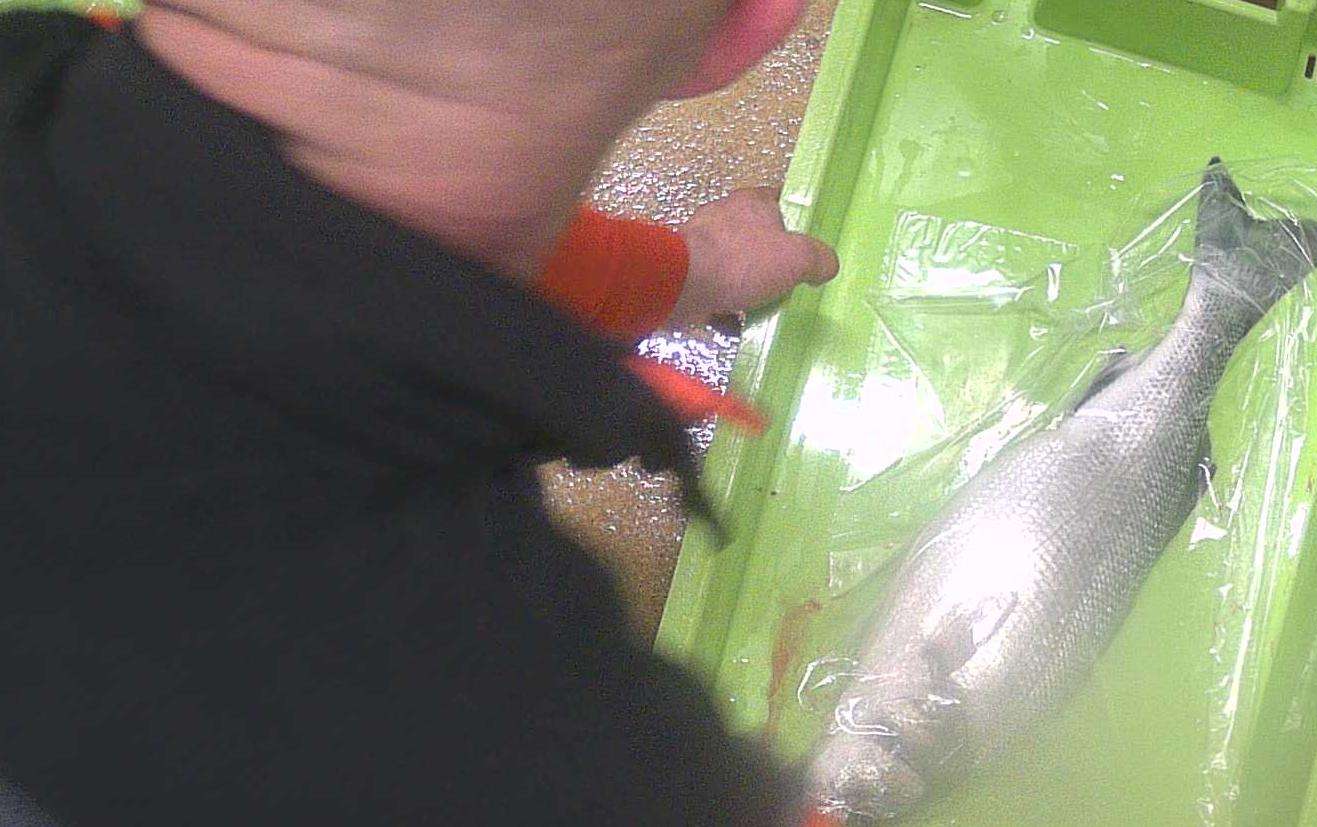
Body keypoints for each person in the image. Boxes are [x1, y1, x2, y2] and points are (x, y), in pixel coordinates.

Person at [0, 1, 839, 824]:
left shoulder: (37, 71)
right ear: (750, 24)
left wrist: (695, 270)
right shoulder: (512, 746)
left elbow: (330, 225)